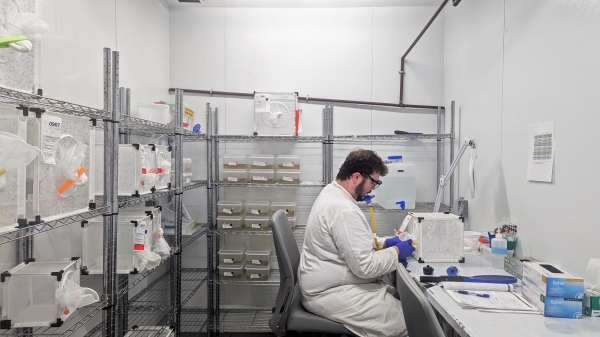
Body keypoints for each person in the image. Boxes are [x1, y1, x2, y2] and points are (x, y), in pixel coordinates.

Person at [298, 149, 414, 337]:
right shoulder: (343, 210)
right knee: (406, 321)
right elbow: (365, 267)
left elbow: (350, 241)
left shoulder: (332, 192)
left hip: (327, 282)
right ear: (356, 177)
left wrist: (384, 243)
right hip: (329, 292)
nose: (373, 190)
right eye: (373, 183)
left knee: (394, 303)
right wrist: (396, 252)